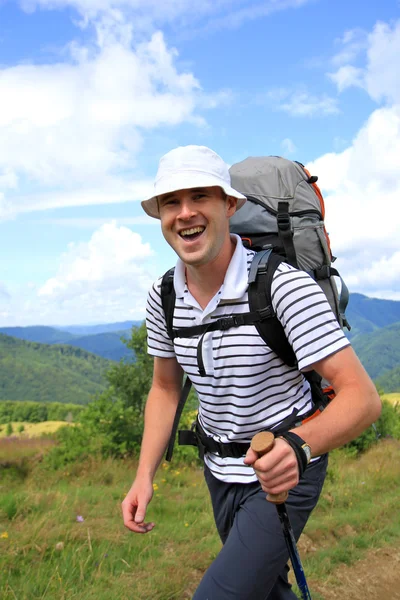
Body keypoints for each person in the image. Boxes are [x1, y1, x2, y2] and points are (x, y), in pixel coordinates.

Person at [121, 145, 381, 599]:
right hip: (219, 470)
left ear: (229, 205)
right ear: (159, 216)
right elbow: (165, 388)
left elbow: (362, 398)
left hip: (287, 469)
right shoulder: (163, 296)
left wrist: (298, 448)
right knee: (264, 590)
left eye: (200, 196)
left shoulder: (283, 287)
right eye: (171, 202)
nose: (185, 213)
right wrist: (144, 474)